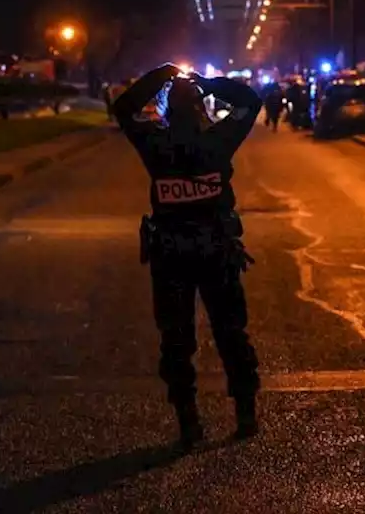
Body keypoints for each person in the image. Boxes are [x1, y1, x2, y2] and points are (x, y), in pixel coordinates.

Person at [112, 63, 263, 450]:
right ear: (201, 108)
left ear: (165, 109)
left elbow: (123, 108)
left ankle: (189, 422)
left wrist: (160, 75)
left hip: (171, 256)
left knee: (176, 341)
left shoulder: (154, 145)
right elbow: (250, 101)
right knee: (231, 332)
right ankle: (245, 413)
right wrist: (210, 84)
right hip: (217, 250)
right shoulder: (219, 141)